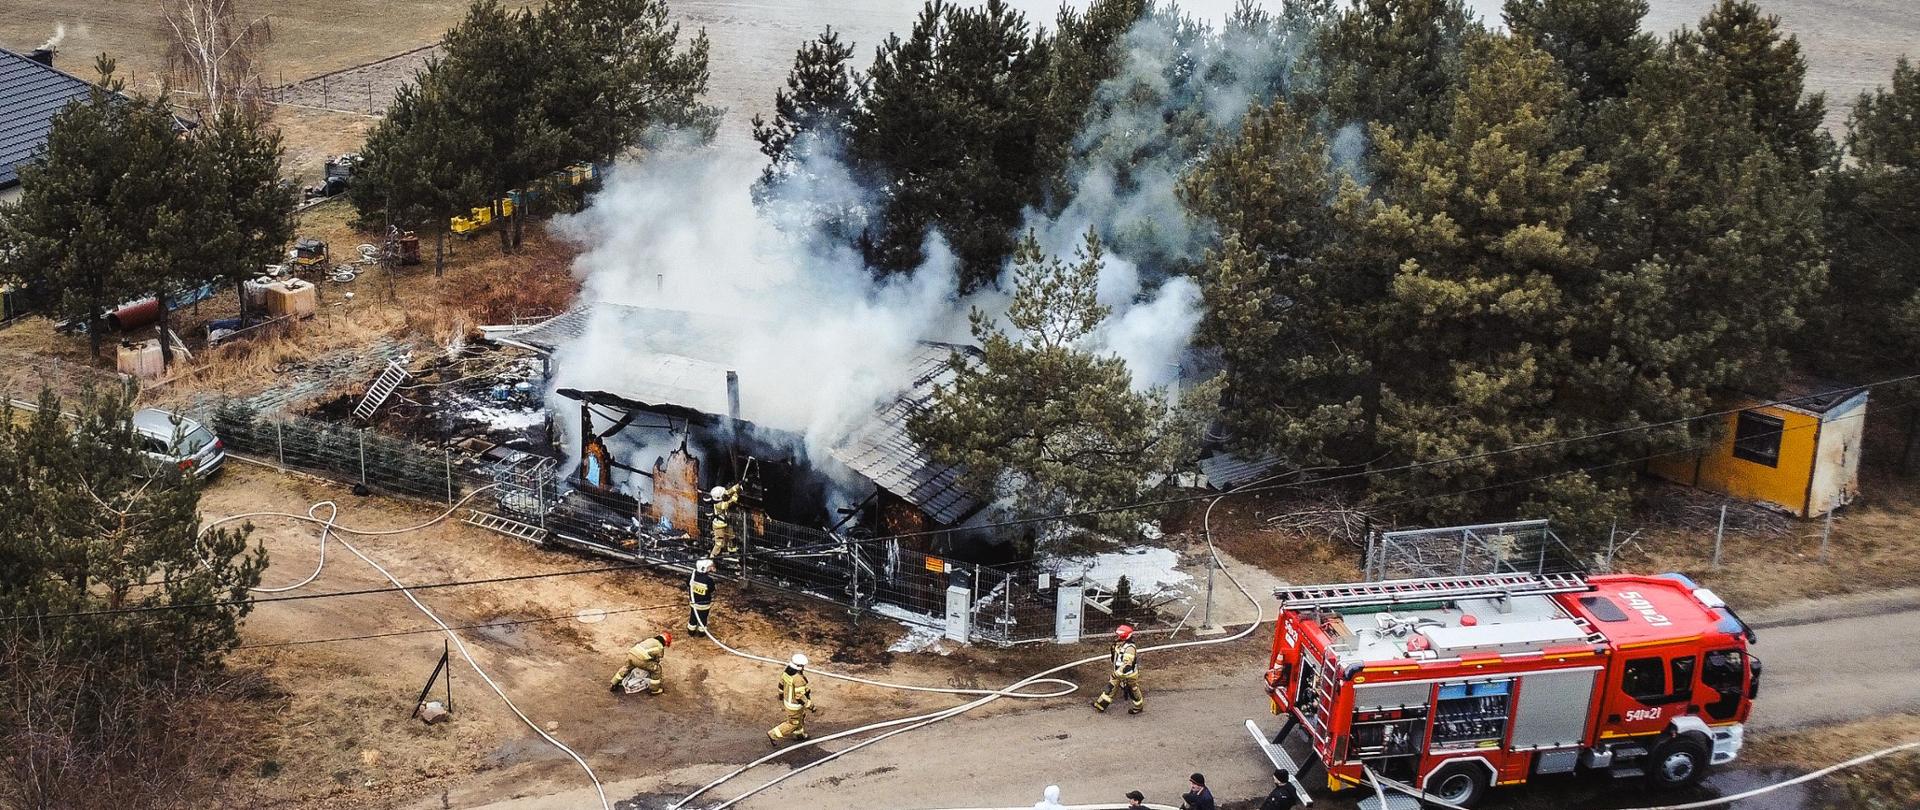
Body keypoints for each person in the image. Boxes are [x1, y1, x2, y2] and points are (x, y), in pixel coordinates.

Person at [1092, 624, 1144, 714]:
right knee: (1110, 688)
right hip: (1118, 673)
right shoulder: (1119, 644)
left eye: (1118, 635)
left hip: (1129, 675)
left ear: (1123, 636)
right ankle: (1100, 705)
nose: (1116, 637)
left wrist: (1116, 674)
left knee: (1133, 690)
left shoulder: (1129, 648)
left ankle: (1138, 707)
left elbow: (1127, 666)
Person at [768, 653, 816, 745]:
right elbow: (800, 696)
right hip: (794, 705)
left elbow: (781, 685)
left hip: (788, 702)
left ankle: (799, 735)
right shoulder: (798, 679)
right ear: (800, 667)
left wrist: (781, 696)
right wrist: (811, 706)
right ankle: (773, 734)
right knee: (793, 723)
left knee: (800, 718)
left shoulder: (786, 673)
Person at [708, 484, 741, 559]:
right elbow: (730, 503)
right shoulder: (718, 505)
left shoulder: (720, 498)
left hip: (725, 524)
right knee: (719, 543)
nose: (725, 495)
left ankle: (732, 552)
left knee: (732, 537)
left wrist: (738, 485)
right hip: (719, 526)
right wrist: (736, 494)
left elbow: (728, 491)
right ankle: (713, 557)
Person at [688, 558, 716, 637]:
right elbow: (712, 589)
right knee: (703, 618)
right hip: (704, 605)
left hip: (694, 602)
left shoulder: (692, 576)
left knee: (693, 617)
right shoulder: (708, 580)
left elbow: (688, 583)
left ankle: (691, 631)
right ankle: (701, 632)